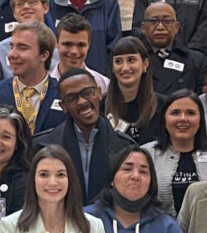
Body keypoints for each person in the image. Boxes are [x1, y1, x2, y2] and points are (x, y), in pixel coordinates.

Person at [34, 68, 134, 201]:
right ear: (63, 106)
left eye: (87, 93)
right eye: (71, 98)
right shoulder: (42, 146)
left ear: (99, 93)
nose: (81, 101)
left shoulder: (125, 148)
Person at [144, 90, 207, 218]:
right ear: (164, 119)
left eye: (191, 113)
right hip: (159, 232)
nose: (183, 119)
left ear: (201, 119)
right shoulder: (146, 154)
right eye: (175, 113)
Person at [0, 22, 66, 135]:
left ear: (44, 55)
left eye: (22, 48)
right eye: (12, 47)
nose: (11, 54)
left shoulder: (63, 94)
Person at [0, 0, 61, 83]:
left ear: (45, 7)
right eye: (20, 3)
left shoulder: (60, 50)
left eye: (32, 2)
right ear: (13, 12)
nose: (26, 7)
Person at [140, 1, 207, 94]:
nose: (160, 27)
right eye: (153, 21)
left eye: (167, 21)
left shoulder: (198, 61)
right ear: (143, 28)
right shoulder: (133, 60)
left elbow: (204, 101)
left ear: (176, 27)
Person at [106, 36, 161, 144]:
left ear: (145, 64)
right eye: (118, 61)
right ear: (112, 67)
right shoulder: (101, 107)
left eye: (131, 60)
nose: (125, 67)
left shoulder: (163, 107)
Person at [54, 13, 110, 92]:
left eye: (81, 45)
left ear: (89, 45)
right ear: (56, 43)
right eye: (67, 44)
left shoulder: (104, 85)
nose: (74, 51)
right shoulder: (44, 85)